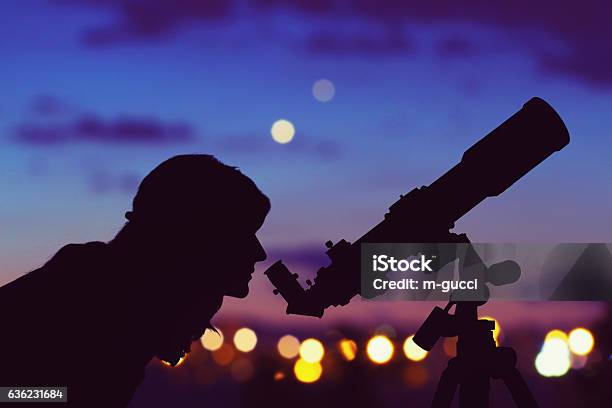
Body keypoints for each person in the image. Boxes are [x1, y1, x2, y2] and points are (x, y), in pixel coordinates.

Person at [0, 154, 269, 407]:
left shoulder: (106, 297)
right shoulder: (101, 313)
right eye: (243, 234)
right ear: (197, 242)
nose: (259, 253)